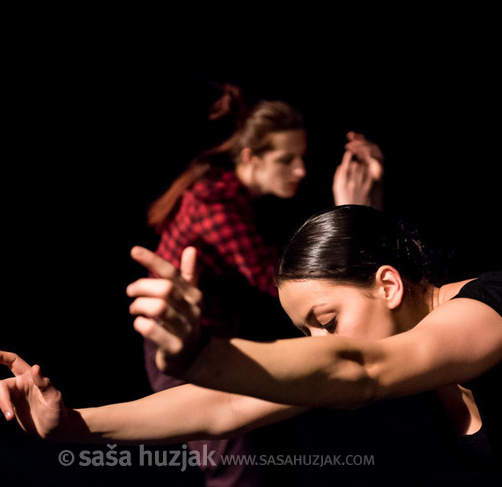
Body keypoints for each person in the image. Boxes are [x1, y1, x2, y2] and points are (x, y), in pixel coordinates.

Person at [126, 205, 502, 485]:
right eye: (308, 333)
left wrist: (201, 352)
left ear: (388, 285)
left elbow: (362, 370)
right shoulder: (406, 328)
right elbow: (228, 406)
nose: (319, 345)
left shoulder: (498, 304)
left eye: (327, 322)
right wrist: (77, 425)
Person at [141, 98, 384, 485]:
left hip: (215, 341)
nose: (301, 170)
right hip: (177, 346)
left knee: (276, 455)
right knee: (237, 473)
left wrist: (361, 208)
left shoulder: (236, 193)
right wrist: (349, 210)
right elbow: (282, 283)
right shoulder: (215, 207)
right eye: (286, 160)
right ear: (252, 158)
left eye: (301, 157)